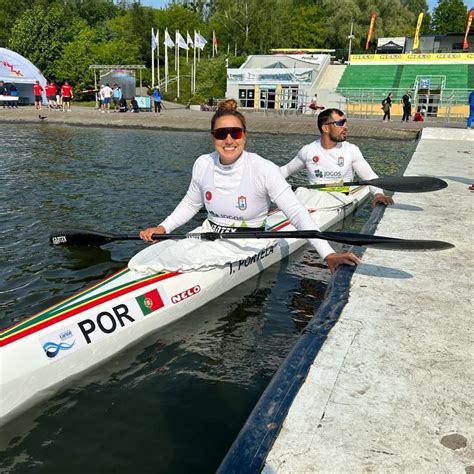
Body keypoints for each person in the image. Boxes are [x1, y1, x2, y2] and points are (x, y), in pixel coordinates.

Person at [140, 100, 361, 274]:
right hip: (208, 234)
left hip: (247, 243)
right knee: (145, 261)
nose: (228, 140)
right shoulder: (202, 163)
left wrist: (327, 254)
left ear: (244, 135)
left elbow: (296, 213)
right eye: (220, 134)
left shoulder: (263, 168)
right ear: (212, 137)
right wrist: (163, 228)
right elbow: (190, 203)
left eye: (235, 133)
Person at [280, 108, 394, 208]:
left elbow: (369, 177)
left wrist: (378, 194)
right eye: (341, 123)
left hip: (340, 199)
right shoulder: (308, 151)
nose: (346, 127)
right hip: (311, 197)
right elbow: (285, 171)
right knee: (300, 192)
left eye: (345, 123)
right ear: (325, 128)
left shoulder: (351, 150)